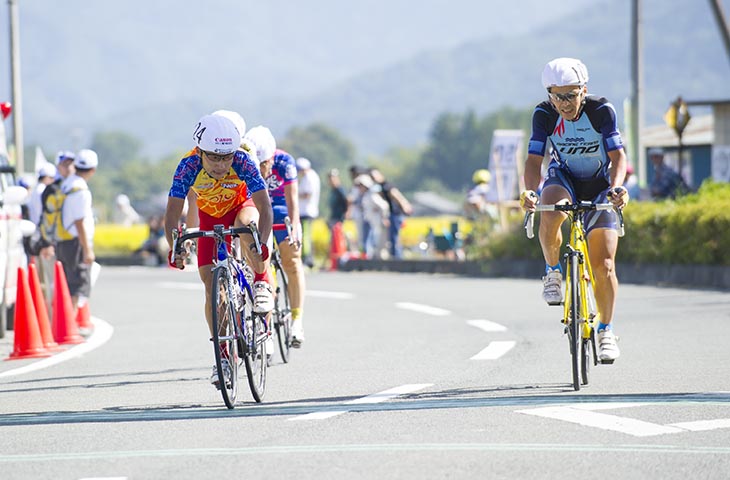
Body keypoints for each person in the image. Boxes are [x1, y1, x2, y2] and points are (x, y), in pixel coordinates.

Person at [519, 57, 628, 363]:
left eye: (571, 95)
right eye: (556, 95)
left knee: (604, 265)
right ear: (548, 94)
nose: (564, 103)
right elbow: (533, 161)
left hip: (599, 183)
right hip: (563, 178)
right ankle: (553, 273)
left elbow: (617, 155)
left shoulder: (601, 111)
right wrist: (529, 191)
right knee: (550, 208)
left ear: (584, 90)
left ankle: (606, 330)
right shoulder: (543, 115)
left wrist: (617, 188)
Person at [165, 114, 274, 387]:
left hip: (241, 207)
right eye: (213, 157)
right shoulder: (187, 166)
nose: (221, 164)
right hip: (211, 216)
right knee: (214, 291)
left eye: (226, 157)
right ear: (200, 151)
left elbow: (265, 207)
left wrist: (261, 243)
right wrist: (176, 248)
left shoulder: (243, 161)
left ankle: (260, 282)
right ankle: (223, 357)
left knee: (247, 225)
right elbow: (172, 215)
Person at [245, 126, 307, 348]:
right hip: (258, 210)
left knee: (292, 262)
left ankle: (297, 320)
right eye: (257, 165)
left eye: (264, 164)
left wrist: (295, 226)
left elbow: (292, 201)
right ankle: (266, 329)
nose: (261, 169)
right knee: (260, 267)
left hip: (280, 209)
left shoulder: (284, 161)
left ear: (271, 157)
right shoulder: (244, 160)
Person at [56, 149, 98, 323]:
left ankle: (65, 322)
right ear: (92, 170)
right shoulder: (80, 189)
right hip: (75, 243)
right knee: (76, 285)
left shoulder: (67, 184)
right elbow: (79, 221)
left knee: (67, 283)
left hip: (62, 240)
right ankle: (69, 324)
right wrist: (87, 250)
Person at [369, 168, 412, 259]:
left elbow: (396, 195)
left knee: (394, 237)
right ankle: (395, 256)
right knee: (392, 237)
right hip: (391, 215)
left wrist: (405, 205)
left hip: (395, 214)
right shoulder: (379, 187)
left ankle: (397, 257)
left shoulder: (386, 186)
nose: (374, 178)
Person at [354, 173, 390, 259]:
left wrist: (384, 217)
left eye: (361, 185)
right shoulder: (365, 195)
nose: (359, 188)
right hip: (369, 221)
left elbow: (384, 206)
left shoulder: (372, 195)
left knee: (375, 240)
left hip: (375, 222)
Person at [296, 157, 320, 268]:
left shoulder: (309, 177)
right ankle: (307, 257)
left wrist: (294, 194)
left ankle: (307, 258)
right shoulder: (309, 176)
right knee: (304, 234)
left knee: (305, 235)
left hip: (307, 211)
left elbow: (307, 194)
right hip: (306, 210)